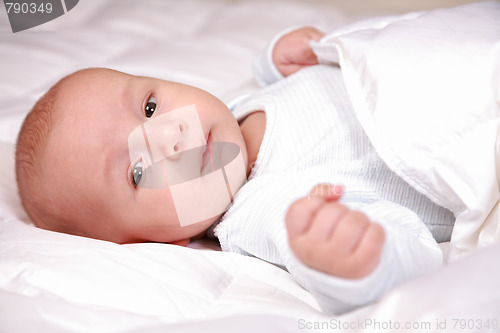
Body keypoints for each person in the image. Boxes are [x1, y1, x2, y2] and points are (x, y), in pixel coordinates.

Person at [15, 27, 454, 314]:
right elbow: (394, 247)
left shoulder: (229, 117)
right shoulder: (263, 211)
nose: (170, 136)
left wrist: (276, 66)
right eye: (137, 172)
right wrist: (349, 262)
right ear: (161, 240)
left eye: (150, 107)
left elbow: (278, 95)